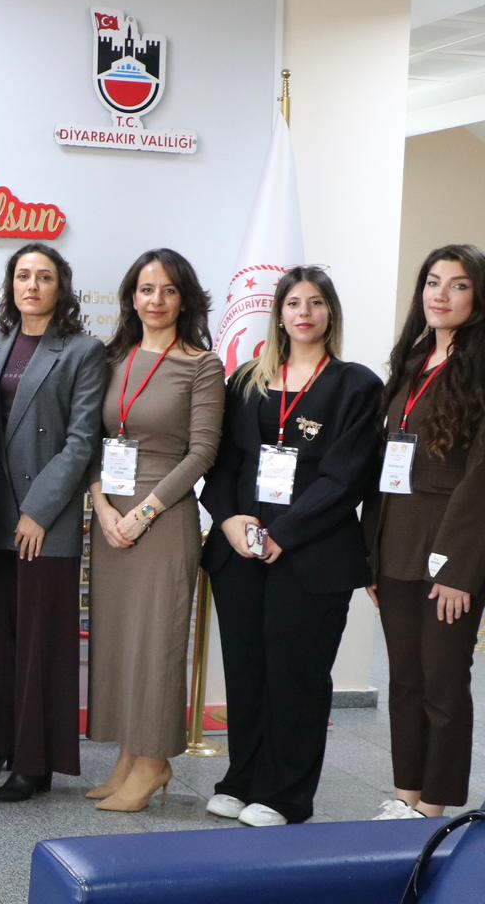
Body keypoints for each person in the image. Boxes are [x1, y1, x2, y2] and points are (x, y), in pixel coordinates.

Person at [199, 267, 381, 826]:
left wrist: (286, 532)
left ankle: (285, 795)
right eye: (294, 302)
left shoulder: (355, 385)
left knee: (296, 675)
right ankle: (242, 780)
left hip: (311, 553)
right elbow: (223, 463)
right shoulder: (247, 380)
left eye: (316, 302)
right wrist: (229, 520)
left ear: (331, 313)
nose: (305, 312)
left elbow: (345, 477)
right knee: (247, 671)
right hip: (241, 550)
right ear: (278, 314)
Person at [0, 244, 107, 802]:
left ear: (60, 286)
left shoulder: (83, 351)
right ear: (10, 285)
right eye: (23, 276)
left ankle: (34, 762)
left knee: (39, 643)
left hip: (44, 518)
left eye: (44, 277)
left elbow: (81, 442)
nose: (32, 286)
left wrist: (38, 511)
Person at [86, 248, 223, 812]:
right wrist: (102, 508)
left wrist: (142, 513)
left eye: (168, 290)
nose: (156, 300)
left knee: (156, 644)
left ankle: (154, 763)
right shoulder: (112, 357)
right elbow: (91, 440)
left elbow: (202, 453)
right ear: (132, 297)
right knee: (119, 641)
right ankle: (128, 755)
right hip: (110, 517)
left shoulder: (201, 365)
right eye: (147, 289)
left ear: (185, 299)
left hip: (162, 520)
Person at [365, 244, 485, 821]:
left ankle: (434, 806)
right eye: (433, 282)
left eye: (458, 285)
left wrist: (459, 568)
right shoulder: (413, 360)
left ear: (477, 296)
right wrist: (372, 554)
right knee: (405, 680)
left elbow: (481, 477)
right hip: (397, 542)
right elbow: (384, 463)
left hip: (449, 548)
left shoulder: (479, 367)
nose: (441, 294)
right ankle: (406, 795)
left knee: (442, 681)